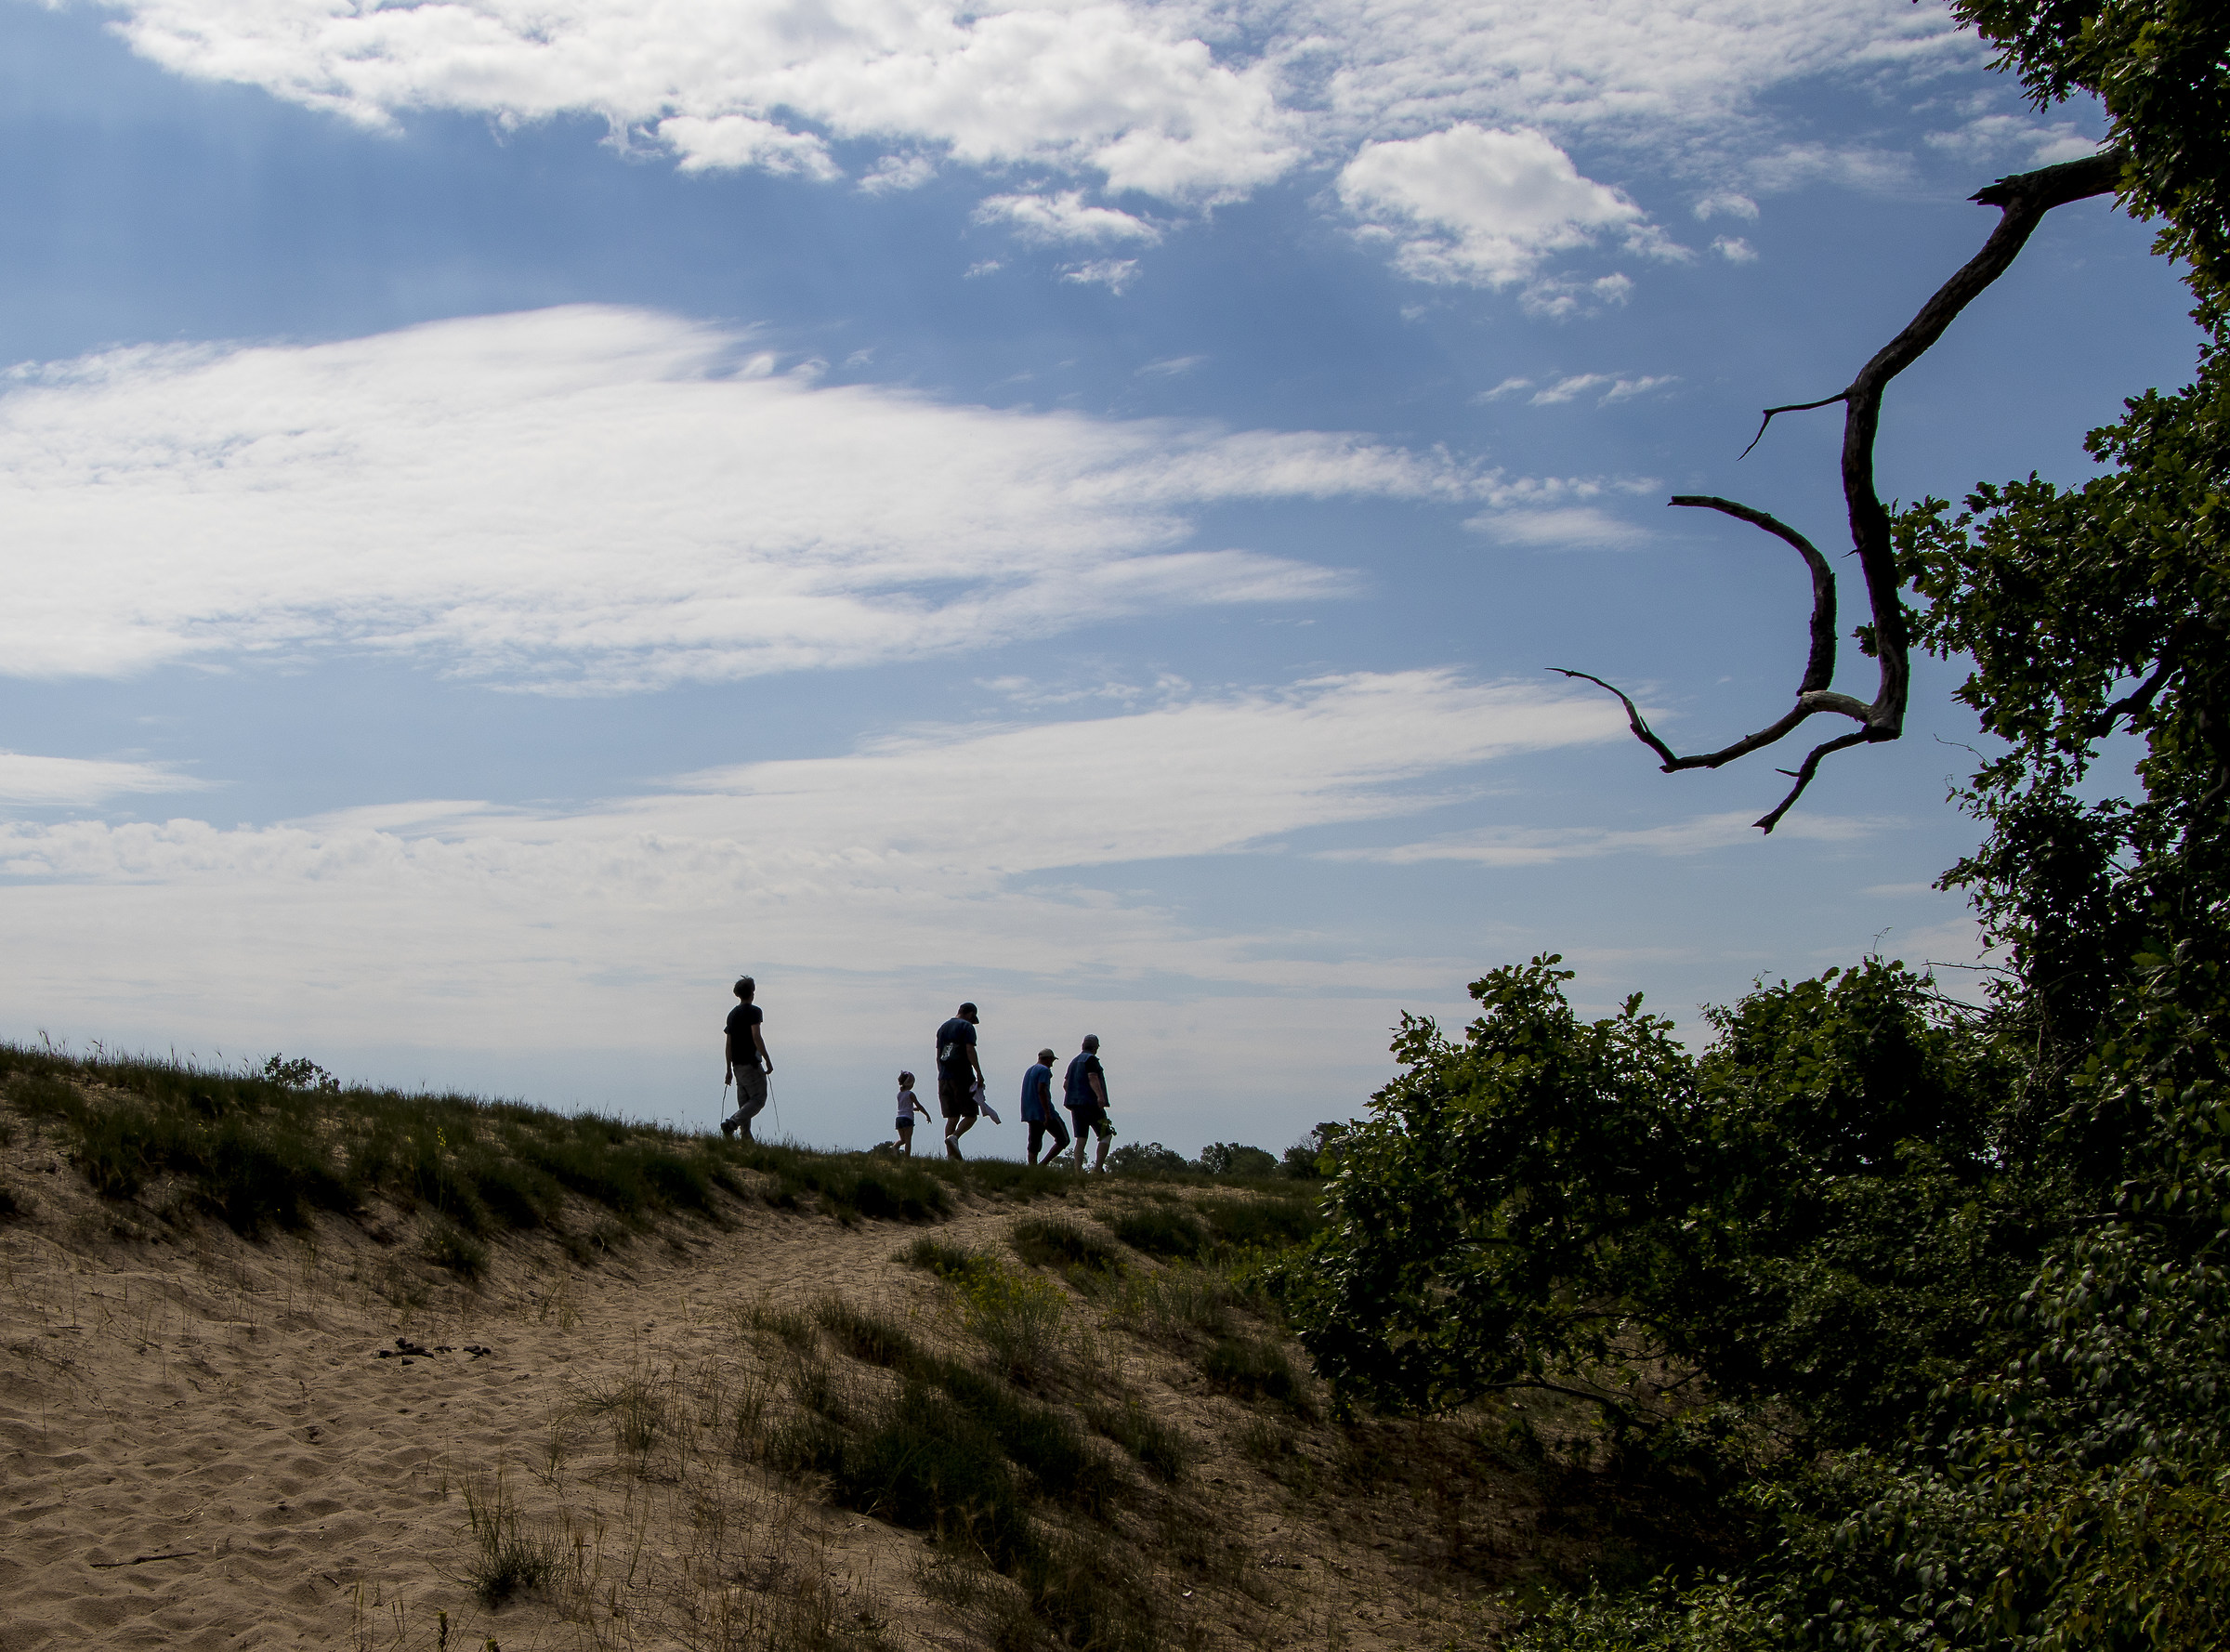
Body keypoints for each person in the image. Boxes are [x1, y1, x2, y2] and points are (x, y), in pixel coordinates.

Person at [722, 976, 771, 1141]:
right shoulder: (754, 1011)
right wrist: (768, 1060)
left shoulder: (732, 1015)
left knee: (744, 1103)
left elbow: (728, 1044)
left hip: (737, 1065)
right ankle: (732, 1123)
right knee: (758, 1099)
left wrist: (728, 1069)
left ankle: (746, 1139)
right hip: (751, 1063)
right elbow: (756, 1037)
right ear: (752, 993)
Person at [935, 1001, 984, 1160]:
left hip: (944, 1077)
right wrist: (979, 1073)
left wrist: (941, 1072)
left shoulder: (943, 1028)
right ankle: (954, 1137)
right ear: (970, 1014)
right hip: (962, 1076)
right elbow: (970, 1050)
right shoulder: (966, 1027)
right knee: (970, 1115)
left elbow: (938, 1055)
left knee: (952, 1117)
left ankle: (951, 1157)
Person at [1064, 1034, 1112, 1173]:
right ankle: (1097, 1169)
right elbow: (1093, 1077)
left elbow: (1066, 1084)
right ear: (1095, 1047)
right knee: (1105, 1134)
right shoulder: (1091, 1060)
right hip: (1091, 1104)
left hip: (1076, 1106)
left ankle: (1077, 1171)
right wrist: (1100, 1097)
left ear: (1083, 1045)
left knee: (1080, 1139)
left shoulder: (1073, 1062)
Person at [1018, 1048, 1069, 1166]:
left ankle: (1033, 1169)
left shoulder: (1029, 1070)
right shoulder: (1044, 1070)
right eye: (1051, 1060)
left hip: (1030, 1112)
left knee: (1034, 1144)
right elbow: (1041, 1090)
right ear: (1047, 1059)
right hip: (1043, 1111)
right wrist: (1047, 1113)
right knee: (1063, 1139)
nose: (1052, 1064)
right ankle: (1042, 1165)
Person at [894, 1071, 930, 1156]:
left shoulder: (899, 1094)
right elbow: (919, 1106)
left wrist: (912, 1109)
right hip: (907, 1119)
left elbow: (904, 1107)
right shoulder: (910, 1094)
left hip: (899, 1118)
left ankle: (895, 1147)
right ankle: (907, 1158)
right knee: (908, 1140)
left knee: (902, 1140)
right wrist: (926, 1115)